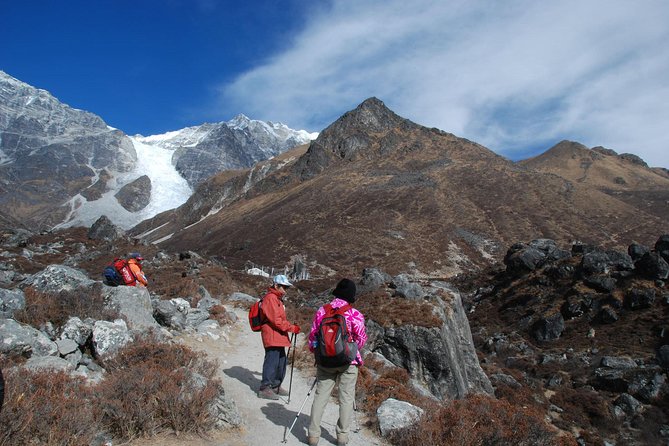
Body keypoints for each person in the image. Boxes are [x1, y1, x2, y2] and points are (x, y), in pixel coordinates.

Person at [307, 278, 367, 446]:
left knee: (320, 396)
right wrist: (351, 350)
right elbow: (361, 339)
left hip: (325, 362)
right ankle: (341, 436)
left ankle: (313, 435)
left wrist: (318, 353)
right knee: (346, 398)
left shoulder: (322, 311)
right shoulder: (355, 314)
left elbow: (313, 337)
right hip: (348, 362)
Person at [258, 274, 301, 400]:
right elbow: (276, 321)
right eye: (284, 287)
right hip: (272, 334)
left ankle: (276, 385)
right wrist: (292, 328)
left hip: (278, 335)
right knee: (272, 361)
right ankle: (265, 388)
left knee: (281, 361)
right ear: (276, 285)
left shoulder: (277, 299)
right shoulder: (271, 298)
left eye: (286, 288)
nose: (285, 290)